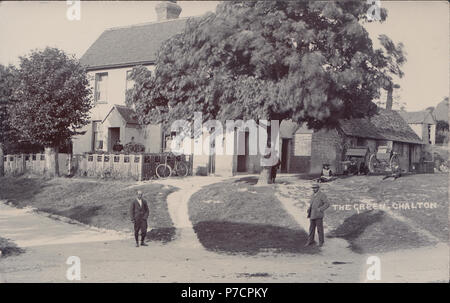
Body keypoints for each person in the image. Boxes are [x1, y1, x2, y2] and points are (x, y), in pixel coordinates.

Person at [305, 183, 330, 247]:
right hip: (312, 214)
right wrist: (309, 209)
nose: (314, 189)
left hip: (318, 215)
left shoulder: (322, 195)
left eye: (315, 188)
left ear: (318, 188)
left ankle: (321, 242)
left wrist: (321, 209)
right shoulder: (312, 195)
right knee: (311, 229)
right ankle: (310, 241)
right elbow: (312, 204)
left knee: (320, 229)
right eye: (313, 188)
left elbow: (327, 204)